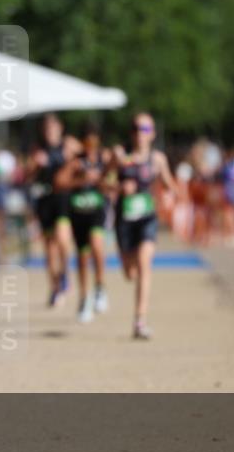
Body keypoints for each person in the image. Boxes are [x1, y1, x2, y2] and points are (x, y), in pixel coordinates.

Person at [107, 112, 177, 339]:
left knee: (145, 263)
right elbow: (101, 183)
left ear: (153, 134)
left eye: (146, 129)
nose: (140, 134)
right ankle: (133, 278)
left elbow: (171, 186)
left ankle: (140, 321)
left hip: (147, 217)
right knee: (130, 272)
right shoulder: (119, 156)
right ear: (131, 132)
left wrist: (170, 196)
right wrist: (118, 188)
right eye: (137, 128)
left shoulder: (157, 160)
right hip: (124, 221)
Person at [54, 122, 111, 323]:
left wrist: (101, 181)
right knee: (82, 257)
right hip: (78, 212)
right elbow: (59, 182)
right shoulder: (76, 162)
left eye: (93, 142)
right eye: (86, 142)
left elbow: (112, 183)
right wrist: (80, 179)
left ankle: (100, 288)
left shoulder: (105, 158)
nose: (90, 146)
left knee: (97, 245)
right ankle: (84, 298)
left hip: (97, 209)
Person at [27, 114, 81, 307]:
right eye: (46, 129)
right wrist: (35, 164)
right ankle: (55, 287)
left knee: (63, 240)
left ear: (60, 128)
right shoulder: (38, 148)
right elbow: (27, 176)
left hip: (63, 199)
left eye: (52, 128)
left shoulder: (69, 144)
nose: (49, 132)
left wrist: (72, 162)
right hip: (44, 200)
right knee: (49, 248)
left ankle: (65, 274)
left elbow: (87, 159)